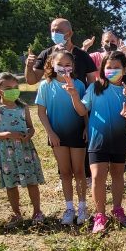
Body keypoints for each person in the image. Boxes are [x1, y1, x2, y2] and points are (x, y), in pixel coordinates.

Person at [75, 51, 126, 234]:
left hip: (120, 140)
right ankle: (99, 216)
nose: (112, 70)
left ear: (125, 69)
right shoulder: (95, 87)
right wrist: (74, 95)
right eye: (108, 67)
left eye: (116, 67)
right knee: (98, 177)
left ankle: (117, 209)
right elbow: (82, 110)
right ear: (102, 69)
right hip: (97, 140)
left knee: (118, 174)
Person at [35, 49, 88, 225]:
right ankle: (69, 208)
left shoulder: (79, 84)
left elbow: (85, 109)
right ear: (52, 64)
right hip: (57, 135)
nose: (64, 68)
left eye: (67, 64)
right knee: (65, 172)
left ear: (73, 66)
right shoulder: (45, 85)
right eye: (60, 64)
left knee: (79, 171)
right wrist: (50, 133)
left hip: (77, 133)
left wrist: (87, 127)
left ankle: (82, 207)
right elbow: (41, 112)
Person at [0, 73, 45, 225]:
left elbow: (31, 127)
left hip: (26, 150)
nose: (13, 91)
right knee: (11, 184)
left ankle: (37, 211)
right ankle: (17, 214)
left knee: (32, 182)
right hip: (7, 153)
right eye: (8, 88)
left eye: (15, 87)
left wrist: (29, 134)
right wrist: (7, 134)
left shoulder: (23, 107)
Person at [25, 18, 97, 86]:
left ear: (69, 34)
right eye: (52, 31)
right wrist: (29, 67)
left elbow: (92, 84)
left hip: (77, 95)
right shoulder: (46, 54)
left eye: (58, 31)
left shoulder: (83, 55)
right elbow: (31, 81)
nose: (54, 34)